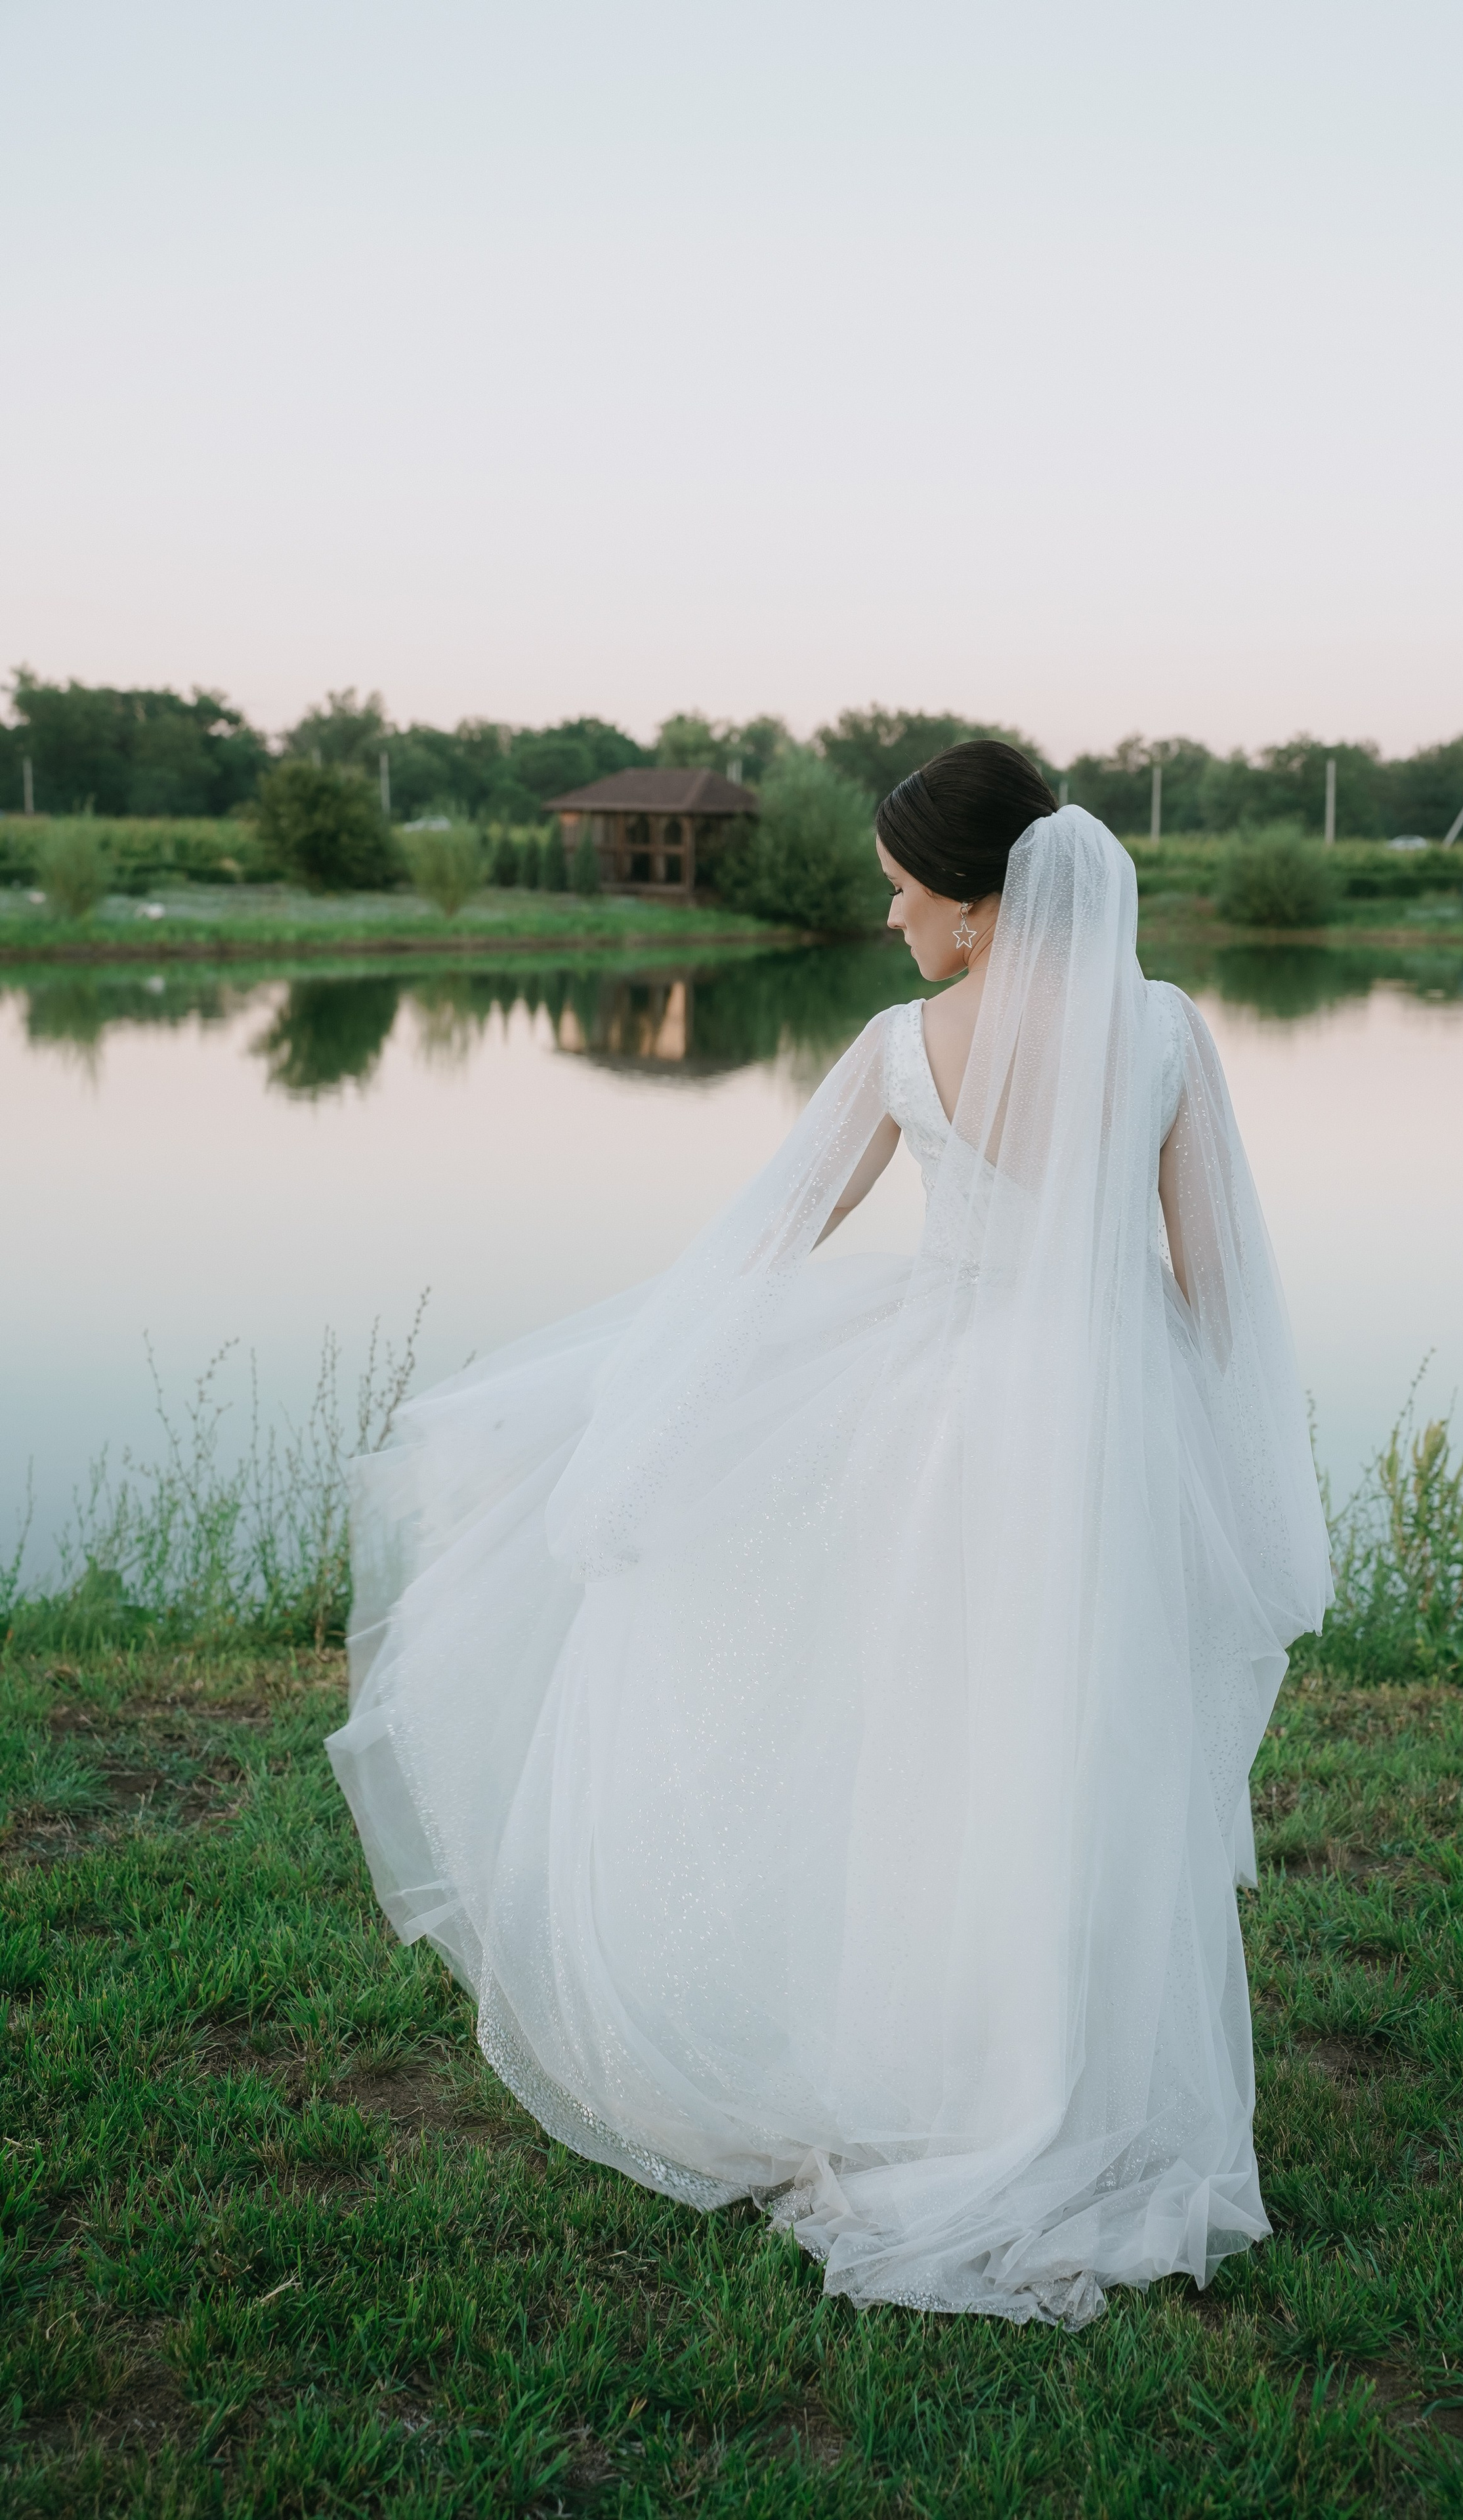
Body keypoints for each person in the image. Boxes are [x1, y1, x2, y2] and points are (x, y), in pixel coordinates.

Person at [328, 740, 1330, 2330]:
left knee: (934, 1746)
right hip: (1115, 1432)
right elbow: (1217, 1291)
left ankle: (940, 2071)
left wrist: (647, 1413)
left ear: (983, 908)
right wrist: (1202, 1469)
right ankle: (1078, 2084)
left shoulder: (894, 1050)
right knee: (1085, 1748)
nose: (886, 916)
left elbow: (757, 1252)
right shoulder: (1164, 1033)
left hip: (946, 1435)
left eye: (904, 889)